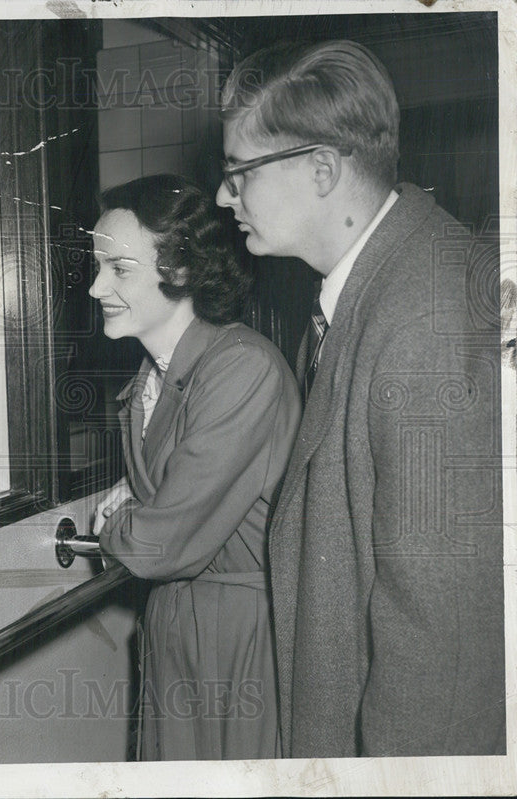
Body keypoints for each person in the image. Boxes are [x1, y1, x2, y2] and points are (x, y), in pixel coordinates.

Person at [216, 40, 504, 757]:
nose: (225, 196)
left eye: (238, 174)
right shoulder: (372, 287)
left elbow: (437, 642)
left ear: (320, 170)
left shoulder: (422, 318)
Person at [91, 174, 300, 760]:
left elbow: (158, 547)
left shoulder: (241, 368)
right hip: (175, 625)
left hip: (243, 635)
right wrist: (140, 497)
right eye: (97, 266)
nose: (95, 287)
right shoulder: (148, 382)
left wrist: (122, 521)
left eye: (119, 269)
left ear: (181, 271)